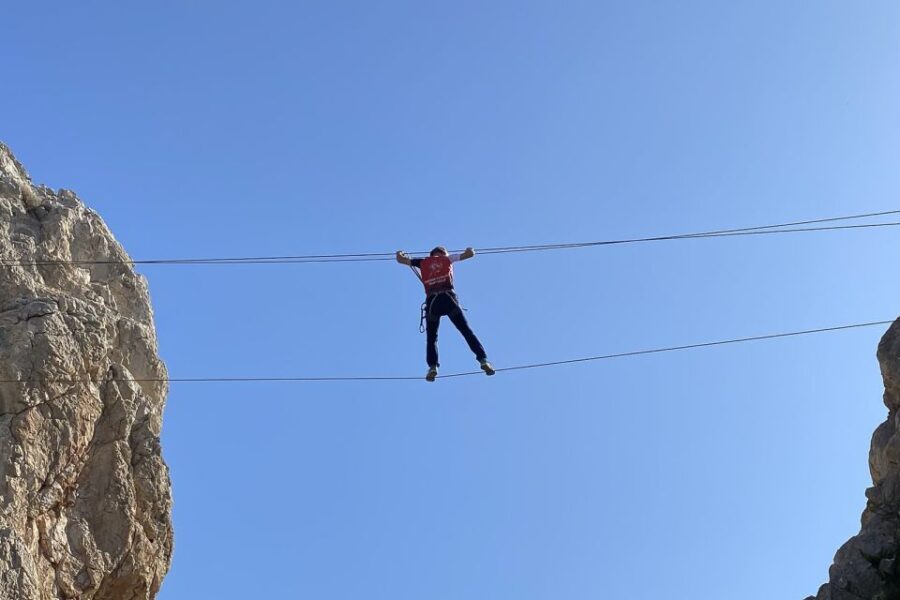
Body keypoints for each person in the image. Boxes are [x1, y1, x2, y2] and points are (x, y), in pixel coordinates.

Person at [396, 246, 495, 382]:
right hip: (449, 300)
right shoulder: (448, 258)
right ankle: (483, 360)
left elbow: (401, 260)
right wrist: (470, 250)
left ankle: (432, 367)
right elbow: (469, 254)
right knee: (466, 331)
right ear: (444, 253)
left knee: (432, 338)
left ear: (431, 254)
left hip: (433, 304)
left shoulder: (422, 262)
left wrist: (400, 255)